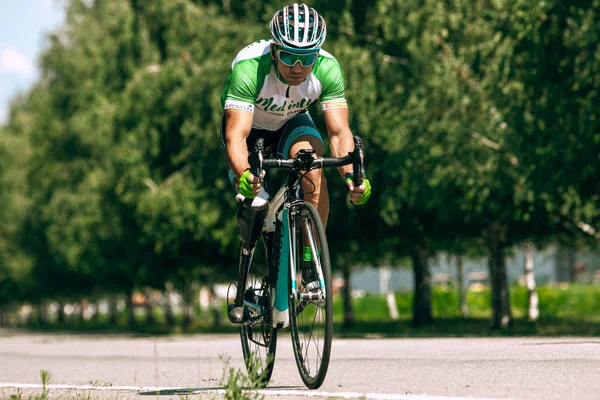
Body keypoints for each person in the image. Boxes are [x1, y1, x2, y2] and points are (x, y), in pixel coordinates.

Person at [221, 3, 371, 324]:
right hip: (251, 131)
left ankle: (308, 263)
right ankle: (248, 259)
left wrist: (351, 178)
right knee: (256, 200)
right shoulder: (249, 68)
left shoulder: (328, 69)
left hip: (292, 123)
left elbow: (339, 132)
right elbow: (236, 136)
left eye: (308, 58)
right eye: (289, 56)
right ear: (274, 50)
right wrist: (245, 173)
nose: (299, 66)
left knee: (313, 169)